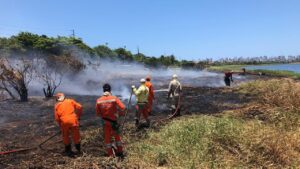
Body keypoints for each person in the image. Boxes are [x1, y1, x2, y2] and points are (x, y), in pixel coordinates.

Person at [96, 84, 126, 157]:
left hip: (105, 123)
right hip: (114, 122)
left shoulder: (98, 100)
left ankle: (110, 154)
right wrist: (119, 114)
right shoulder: (114, 98)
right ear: (110, 90)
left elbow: (98, 113)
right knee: (117, 137)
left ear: (103, 90)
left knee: (107, 138)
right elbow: (123, 107)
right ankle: (120, 151)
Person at [54, 93, 82, 157]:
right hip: (73, 120)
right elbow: (80, 107)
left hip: (64, 122)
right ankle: (78, 150)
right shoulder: (70, 101)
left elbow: (57, 118)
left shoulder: (57, 105)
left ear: (57, 99)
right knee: (76, 135)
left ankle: (68, 150)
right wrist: (78, 116)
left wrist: (61, 125)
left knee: (65, 136)